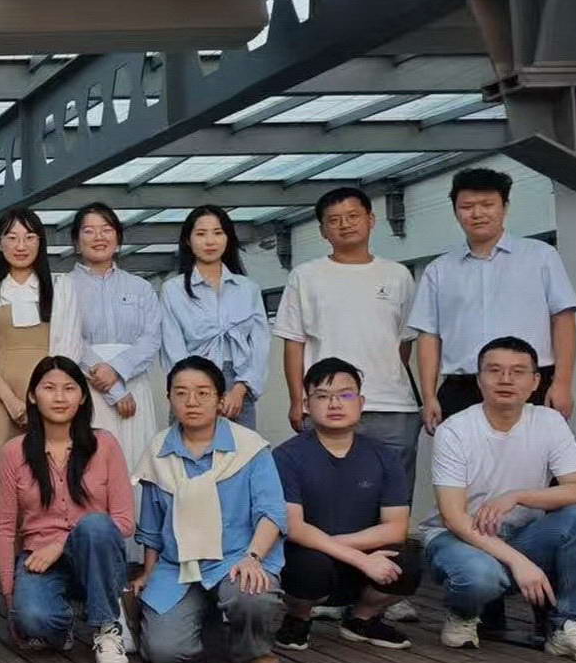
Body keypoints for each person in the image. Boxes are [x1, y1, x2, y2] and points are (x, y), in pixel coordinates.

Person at [420, 336, 576, 663]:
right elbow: (453, 517)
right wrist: (519, 562)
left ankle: (568, 626)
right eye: (494, 370)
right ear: (479, 379)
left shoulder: (549, 422)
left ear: (536, 381)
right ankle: (463, 613)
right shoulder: (455, 430)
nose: (506, 379)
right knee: (479, 576)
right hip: (460, 538)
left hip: (523, 535)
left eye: (518, 371)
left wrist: (518, 496)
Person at [133, 356, 285, 663]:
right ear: (169, 398)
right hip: (178, 566)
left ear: (220, 399)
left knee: (253, 596)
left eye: (203, 393)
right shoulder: (158, 451)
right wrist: (148, 572)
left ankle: (249, 649)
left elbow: (271, 513)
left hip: (236, 559)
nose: (192, 401)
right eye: (181, 393)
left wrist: (253, 558)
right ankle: (207, 623)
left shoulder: (250, 448)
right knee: (163, 652)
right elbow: (152, 525)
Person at [410, 167, 576, 428]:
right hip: (462, 387)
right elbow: (429, 336)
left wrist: (562, 383)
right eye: (467, 206)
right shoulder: (439, 270)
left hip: (530, 385)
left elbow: (563, 319)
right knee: (461, 455)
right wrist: (429, 395)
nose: (477, 213)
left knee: (534, 453)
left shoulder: (541, 256)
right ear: (455, 211)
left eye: (487, 204)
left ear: (505, 206)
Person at [0, 356, 133, 663]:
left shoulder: (105, 445)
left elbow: (124, 522)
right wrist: (10, 598)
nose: (59, 397)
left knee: (96, 525)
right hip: (38, 559)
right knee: (33, 619)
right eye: (49, 388)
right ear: (33, 395)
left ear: (82, 397)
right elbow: (4, 527)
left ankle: (107, 628)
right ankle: (65, 622)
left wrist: (61, 545)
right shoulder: (14, 452)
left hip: (94, 555)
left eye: (69, 388)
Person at [272, 358, 418, 654]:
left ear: (361, 403)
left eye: (345, 395)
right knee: (308, 565)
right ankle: (298, 617)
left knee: (410, 561)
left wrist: (340, 548)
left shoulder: (383, 456)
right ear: (306, 404)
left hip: (357, 556)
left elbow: (396, 527)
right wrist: (359, 559)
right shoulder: (286, 456)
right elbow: (294, 527)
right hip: (309, 559)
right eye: (323, 396)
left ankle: (362, 619)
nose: (335, 404)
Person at [274, 188, 420, 469]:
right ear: (322, 230)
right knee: (326, 487)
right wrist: (297, 400)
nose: (345, 224)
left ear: (371, 220)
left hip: (392, 407)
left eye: (353, 216)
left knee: (394, 489)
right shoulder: (305, 276)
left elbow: (405, 341)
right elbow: (293, 343)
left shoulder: (398, 275)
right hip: (326, 405)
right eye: (334, 219)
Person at [0, 207, 84, 555]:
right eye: (12, 237)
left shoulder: (61, 288)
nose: (21, 245)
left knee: (50, 470)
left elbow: (68, 349)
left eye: (29, 237)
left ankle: (49, 548)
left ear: (41, 242)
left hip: (51, 398)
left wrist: (45, 399)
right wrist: (12, 401)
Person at [67, 202, 164, 475]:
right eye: (89, 231)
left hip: (135, 384)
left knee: (138, 463)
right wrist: (113, 389)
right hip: (87, 387)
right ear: (76, 242)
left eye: (106, 230)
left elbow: (151, 338)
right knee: (92, 465)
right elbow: (68, 339)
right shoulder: (64, 288)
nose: (99, 237)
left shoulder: (141, 287)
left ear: (118, 239)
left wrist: (118, 371)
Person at [160, 206, 270, 427]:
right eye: (201, 234)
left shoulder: (248, 288)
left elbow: (260, 344)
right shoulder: (173, 289)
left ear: (228, 238)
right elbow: (172, 348)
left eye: (218, 233)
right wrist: (202, 391)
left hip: (239, 387)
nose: (210, 241)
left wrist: (240, 389)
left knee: (241, 447)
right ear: (188, 240)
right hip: (191, 388)